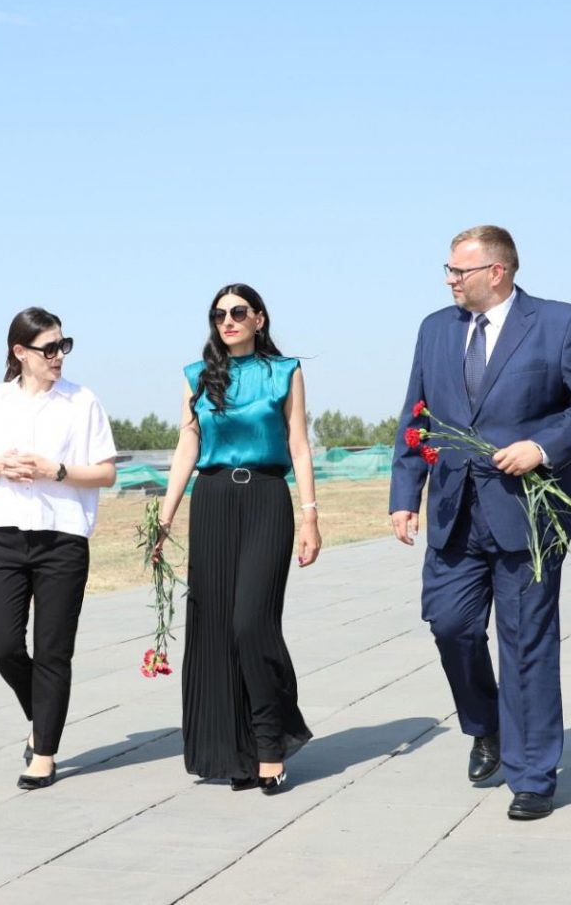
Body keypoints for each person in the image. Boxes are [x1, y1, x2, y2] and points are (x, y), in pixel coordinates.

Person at [389, 226, 571, 821]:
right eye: (447, 269)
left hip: (527, 513)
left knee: (526, 645)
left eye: (458, 270)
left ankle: (533, 776)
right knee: (450, 625)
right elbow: (417, 416)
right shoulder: (435, 329)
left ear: (497, 271)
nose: (448, 280)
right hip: (453, 513)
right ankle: (485, 724)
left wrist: (541, 447)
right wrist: (404, 493)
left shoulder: (561, 323)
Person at [153, 283, 320, 794]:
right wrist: (164, 518)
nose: (227, 320)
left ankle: (271, 745)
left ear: (259, 319)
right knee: (216, 630)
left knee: (252, 623)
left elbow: (298, 445)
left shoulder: (285, 371)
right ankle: (236, 754)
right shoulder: (196, 376)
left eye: (238, 312)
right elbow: (187, 446)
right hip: (212, 501)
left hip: (267, 498)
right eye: (219, 314)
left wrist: (310, 516)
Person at [0, 307, 117, 790]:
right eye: (49, 348)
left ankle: (44, 753)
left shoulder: (82, 401)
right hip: (5, 532)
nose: (59, 356)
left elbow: (107, 473)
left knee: (53, 650)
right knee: (2, 643)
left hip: (63, 537)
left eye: (63, 346)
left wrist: (58, 471)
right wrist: (1, 465)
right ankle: (43, 713)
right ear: (20, 352)